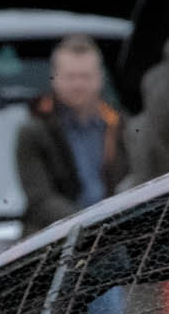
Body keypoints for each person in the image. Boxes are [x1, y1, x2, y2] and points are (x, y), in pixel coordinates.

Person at [15, 35, 127, 234]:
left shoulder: (120, 125)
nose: (78, 85)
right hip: (56, 238)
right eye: (70, 77)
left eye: (85, 76)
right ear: (55, 78)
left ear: (100, 78)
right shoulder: (33, 132)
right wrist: (88, 225)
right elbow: (41, 199)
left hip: (115, 232)